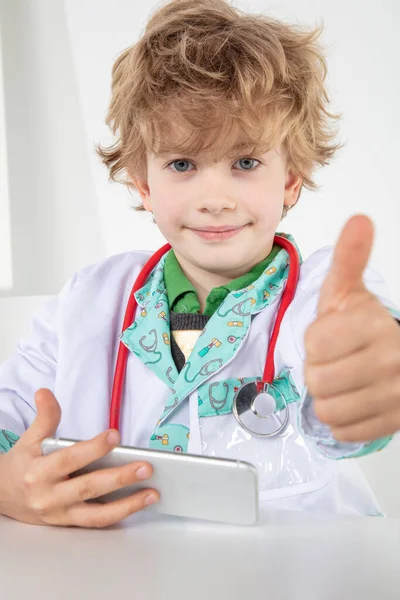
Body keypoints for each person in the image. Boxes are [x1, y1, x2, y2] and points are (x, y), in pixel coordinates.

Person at [0, 0, 399, 528]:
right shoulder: (87, 298)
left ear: (291, 179)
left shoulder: (321, 292)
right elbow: (11, 419)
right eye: (182, 164)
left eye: (246, 162)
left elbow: (362, 356)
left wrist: (366, 373)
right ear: (144, 183)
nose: (215, 199)